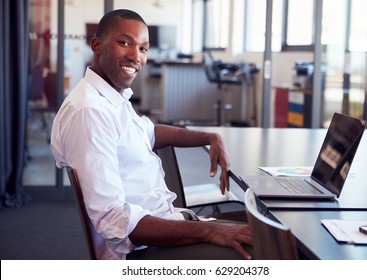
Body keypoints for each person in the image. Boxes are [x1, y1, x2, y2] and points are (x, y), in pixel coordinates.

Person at [51, 9, 252, 260]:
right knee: (267, 251)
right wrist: (209, 231)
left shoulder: (111, 99)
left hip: (166, 225)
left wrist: (210, 137)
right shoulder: (90, 112)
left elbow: (150, 133)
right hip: (143, 251)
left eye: (143, 48)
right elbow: (113, 220)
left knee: (263, 235)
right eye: (125, 43)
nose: (136, 56)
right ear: (97, 46)